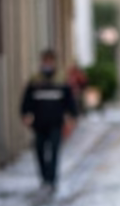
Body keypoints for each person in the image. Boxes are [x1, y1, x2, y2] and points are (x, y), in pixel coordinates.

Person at [20, 49, 80, 190]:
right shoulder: (35, 81)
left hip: (55, 123)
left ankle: (52, 179)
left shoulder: (61, 81)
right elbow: (27, 100)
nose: (47, 64)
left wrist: (72, 116)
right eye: (45, 61)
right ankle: (44, 177)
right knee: (40, 150)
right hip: (39, 123)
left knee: (54, 150)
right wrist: (25, 114)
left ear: (54, 62)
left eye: (50, 61)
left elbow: (69, 101)